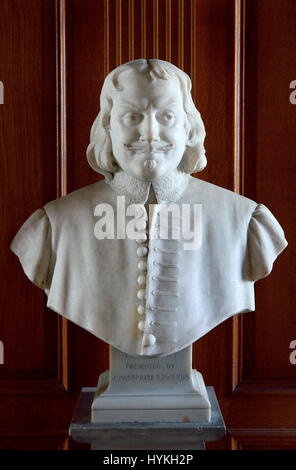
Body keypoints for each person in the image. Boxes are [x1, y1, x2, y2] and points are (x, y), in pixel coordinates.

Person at [10, 59, 287, 357]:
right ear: (108, 126)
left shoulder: (244, 222)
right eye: (131, 116)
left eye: (167, 116)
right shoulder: (56, 226)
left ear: (189, 127)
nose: (151, 133)